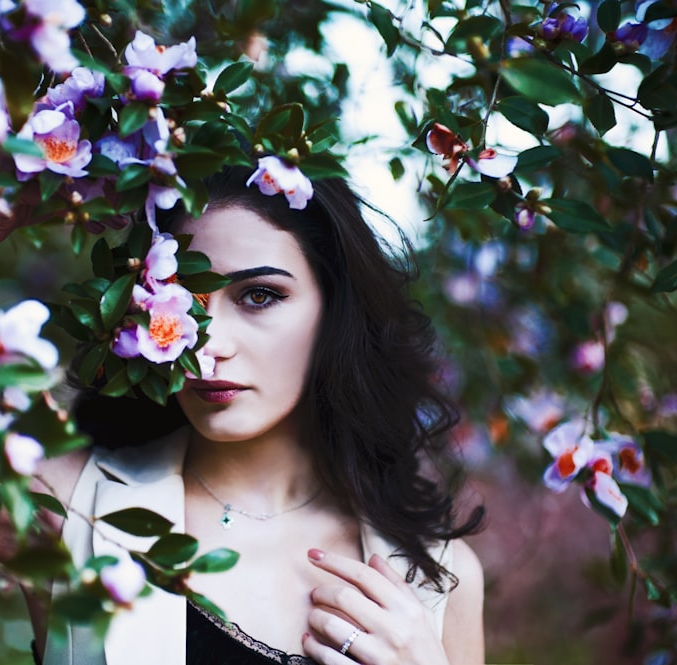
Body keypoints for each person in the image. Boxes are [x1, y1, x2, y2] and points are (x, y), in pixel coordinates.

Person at [30, 165, 486, 665]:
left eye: (259, 295)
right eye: (184, 302)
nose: (207, 347)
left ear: (337, 312)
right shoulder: (68, 504)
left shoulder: (441, 577)